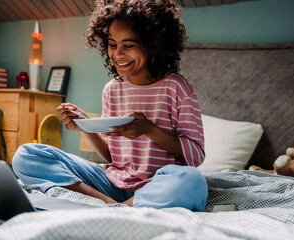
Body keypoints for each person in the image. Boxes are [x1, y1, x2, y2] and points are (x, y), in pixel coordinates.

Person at [12, 0, 207, 211]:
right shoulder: (112, 89)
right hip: (111, 183)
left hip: (156, 186)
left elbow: (195, 156)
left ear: (153, 45)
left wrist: (149, 129)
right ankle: (111, 206)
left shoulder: (178, 88)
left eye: (128, 45)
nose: (117, 54)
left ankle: (125, 205)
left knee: (192, 181)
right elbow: (114, 158)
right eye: (112, 44)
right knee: (26, 155)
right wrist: (85, 126)